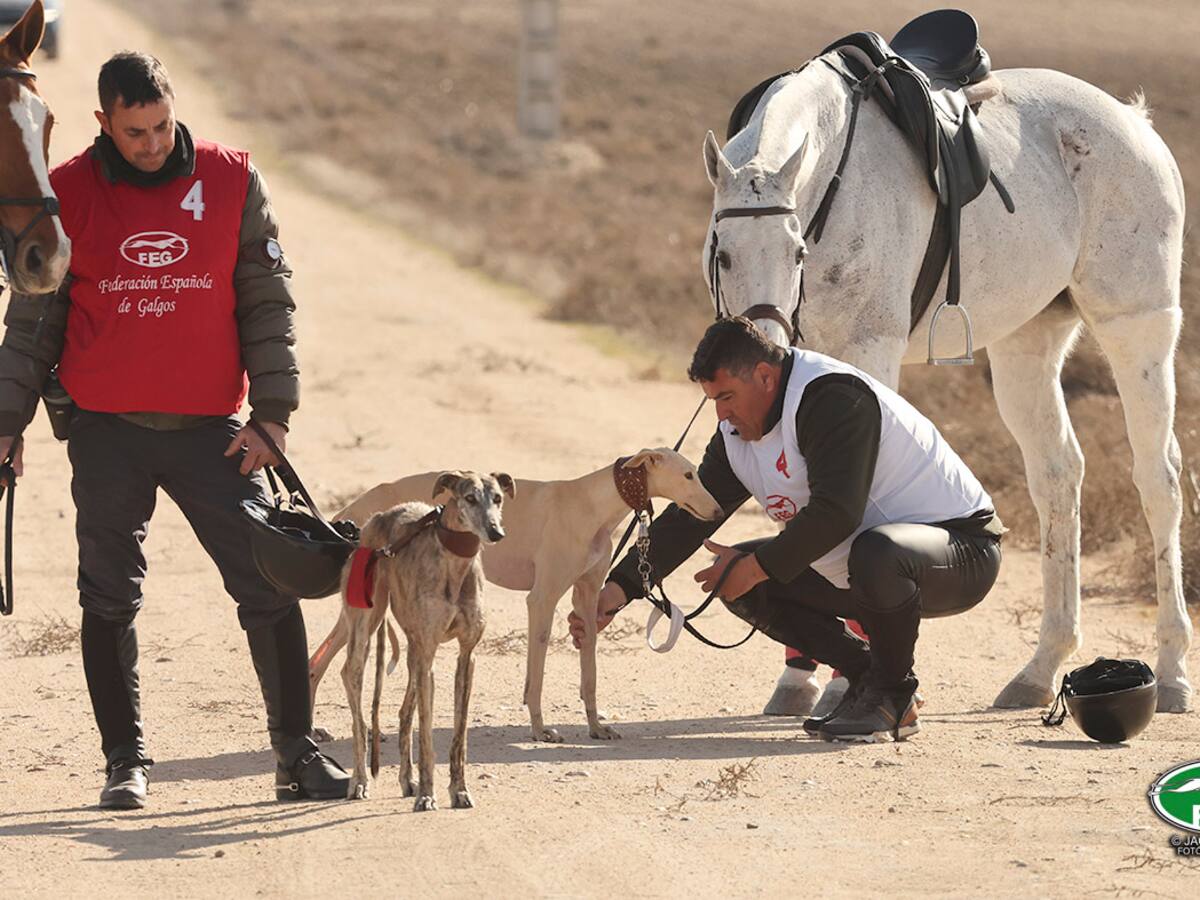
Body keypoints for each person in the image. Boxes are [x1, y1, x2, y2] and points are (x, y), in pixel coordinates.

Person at [0, 52, 349, 807]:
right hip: (105, 430)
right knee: (108, 597)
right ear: (104, 123)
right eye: (135, 132)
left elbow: (267, 303)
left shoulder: (230, 179)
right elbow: (34, 322)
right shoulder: (66, 192)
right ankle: (124, 763)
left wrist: (274, 419)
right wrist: (7, 422)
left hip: (213, 434)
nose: (154, 142)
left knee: (268, 583)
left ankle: (296, 754)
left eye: (161, 125)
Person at [570, 317, 1004, 742]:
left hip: (960, 551)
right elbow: (690, 517)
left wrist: (758, 565)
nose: (721, 414)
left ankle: (893, 695)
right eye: (713, 401)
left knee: (868, 553)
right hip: (869, 566)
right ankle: (868, 679)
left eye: (726, 397)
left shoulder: (830, 397)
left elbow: (838, 513)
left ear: (764, 376)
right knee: (740, 578)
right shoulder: (736, 432)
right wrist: (618, 590)